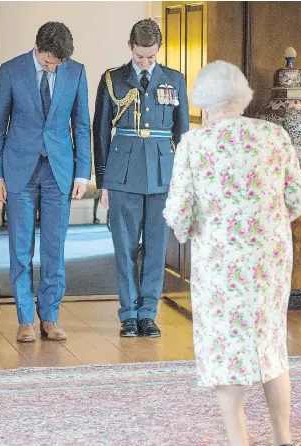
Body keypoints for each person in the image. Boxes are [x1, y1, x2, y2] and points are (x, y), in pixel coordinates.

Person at [164, 61, 301, 446]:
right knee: (269, 345)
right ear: (243, 95)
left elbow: (179, 216)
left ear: (204, 104)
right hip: (269, 261)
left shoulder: (195, 144)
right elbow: (300, 198)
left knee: (226, 353)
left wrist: (201, 228)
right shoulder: (274, 135)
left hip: (221, 266)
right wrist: (266, 221)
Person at [0, 22, 91, 342]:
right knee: (20, 249)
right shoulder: (10, 71)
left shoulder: (75, 72)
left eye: (58, 64)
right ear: (38, 48)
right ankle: (24, 320)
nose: (53, 67)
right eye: (49, 62)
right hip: (19, 170)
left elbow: (82, 124)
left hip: (58, 170)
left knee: (54, 248)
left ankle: (50, 317)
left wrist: (82, 173)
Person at [93, 19, 189, 338]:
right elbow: (101, 132)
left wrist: (182, 179)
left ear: (158, 50)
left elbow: (182, 131)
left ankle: (148, 312)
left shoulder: (174, 80)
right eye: (139, 57)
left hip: (163, 174)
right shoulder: (112, 80)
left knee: (157, 246)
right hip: (122, 173)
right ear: (130, 48)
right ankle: (128, 313)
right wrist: (104, 180)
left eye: (150, 57)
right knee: (124, 246)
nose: (144, 62)